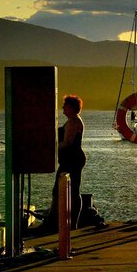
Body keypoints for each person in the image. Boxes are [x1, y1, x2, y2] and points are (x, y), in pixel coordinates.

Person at [47, 94, 87, 231]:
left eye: (65, 105)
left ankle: (62, 223)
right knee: (65, 189)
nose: (63, 107)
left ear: (72, 107)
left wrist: (52, 146)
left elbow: (67, 143)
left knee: (70, 190)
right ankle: (60, 221)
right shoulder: (72, 120)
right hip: (71, 160)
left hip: (73, 160)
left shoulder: (73, 122)